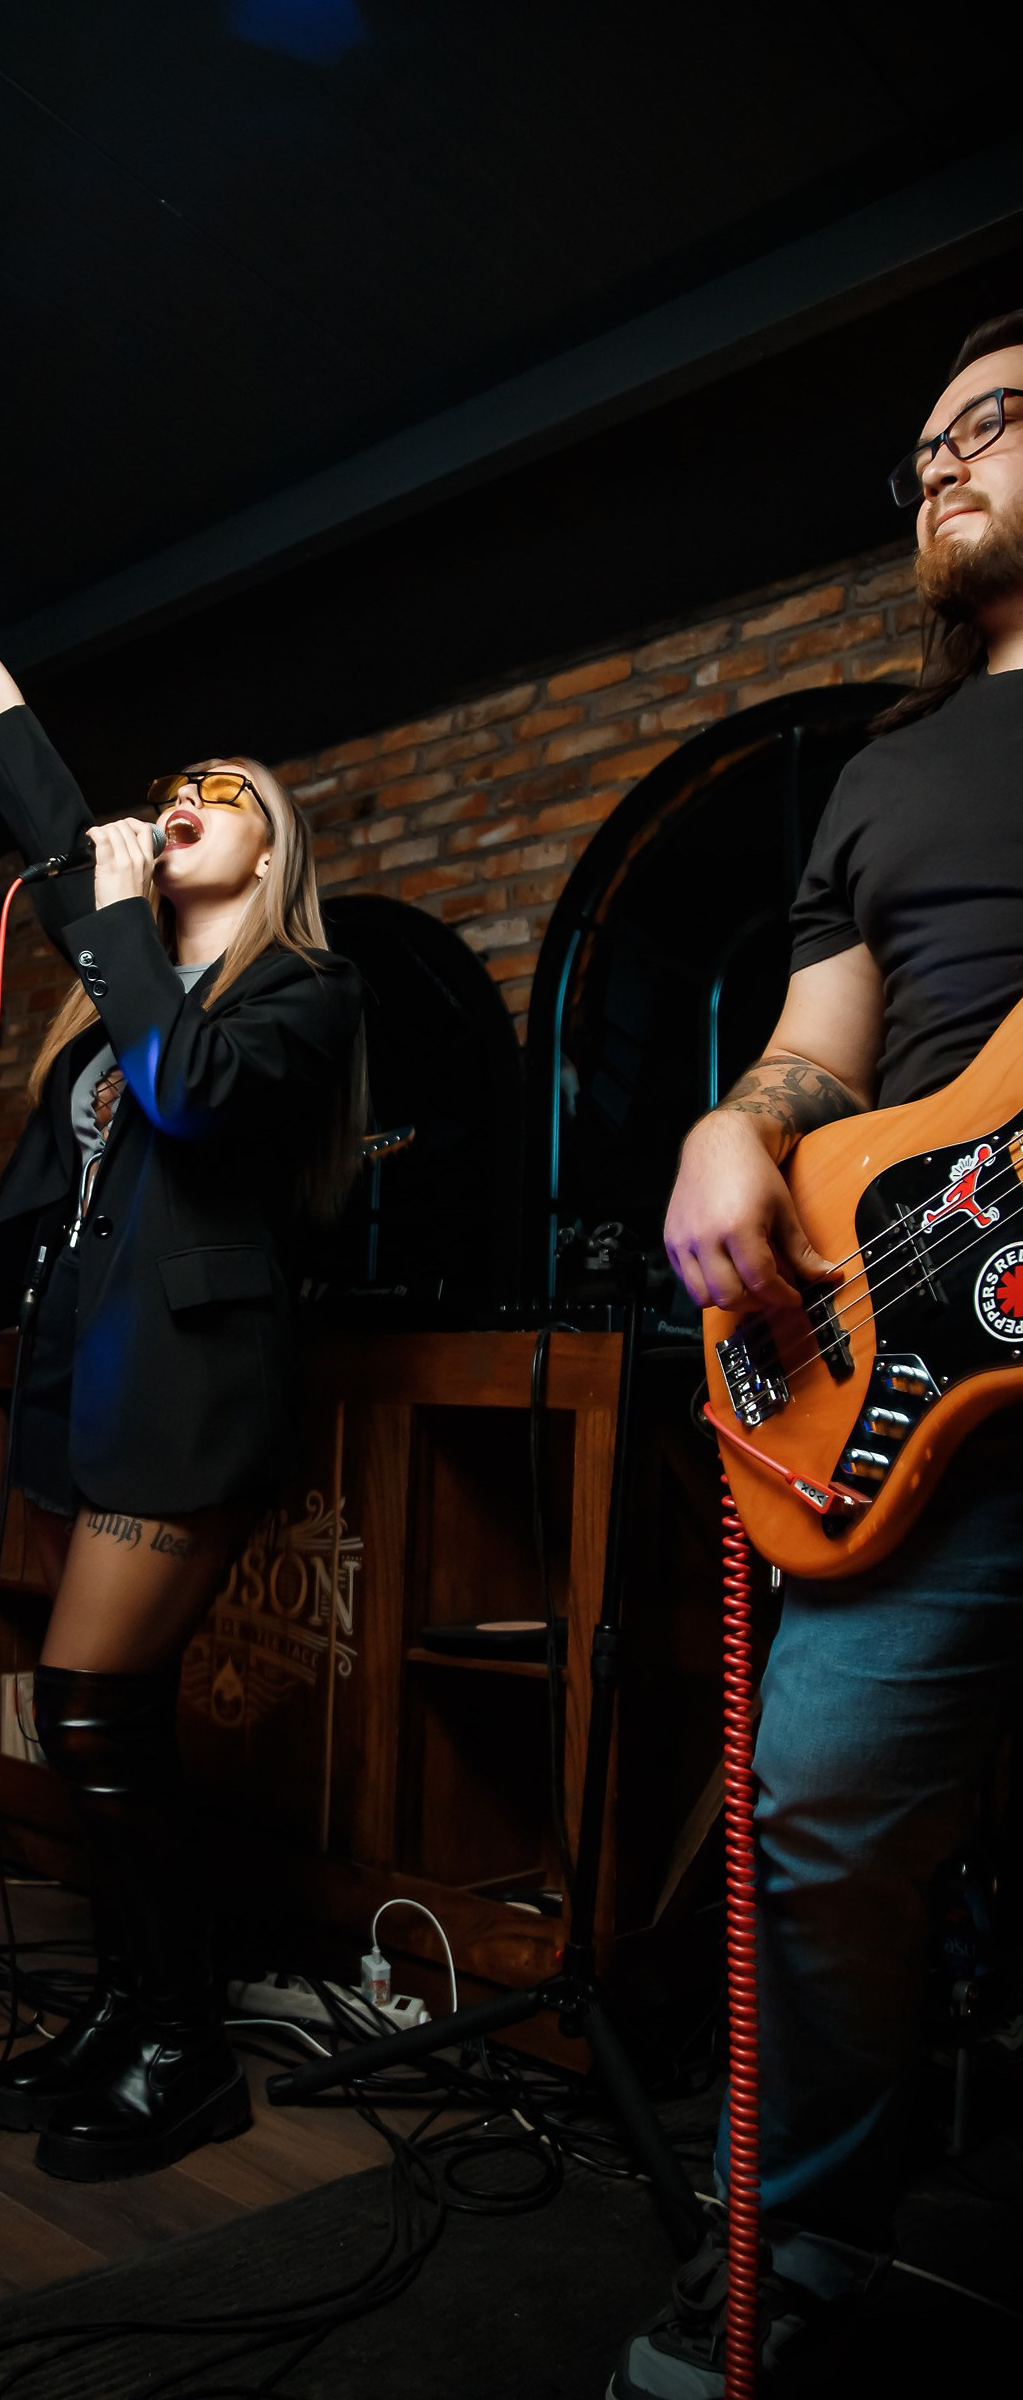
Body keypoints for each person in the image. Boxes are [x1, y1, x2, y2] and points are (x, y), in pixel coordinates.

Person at [615, 312, 1023, 2394]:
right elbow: (812, 1050)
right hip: (922, 1367)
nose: (941, 460)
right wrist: (731, 1128)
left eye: (994, 420)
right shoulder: (882, 769)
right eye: (923, 444)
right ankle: (810, 2227)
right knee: (823, 1805)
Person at [0, 569, 365, 2180]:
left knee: (89, 1706)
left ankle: (183, 2047)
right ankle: (129, 2006)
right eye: (170, 786)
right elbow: (59, 838)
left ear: (273, 849)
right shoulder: (120, 974)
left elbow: (185, 1093)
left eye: (220, 795)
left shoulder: (305, 995)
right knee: (100, 1718)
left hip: (190, 1394)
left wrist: (117, 917)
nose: (180, 801)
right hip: (80, 1387)